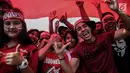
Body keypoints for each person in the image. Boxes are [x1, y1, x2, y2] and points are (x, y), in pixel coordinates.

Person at [53, 0, 130, 73]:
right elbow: (71, 71)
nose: (83, 29)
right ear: (78, 34)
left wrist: (118, 11)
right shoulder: (78, 49)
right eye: (79, 29)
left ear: (90, 28)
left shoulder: (106, 37)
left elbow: (128, 31)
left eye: (84, 26)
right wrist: (61, 56)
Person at [0, 8, 38, 73]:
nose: (12, 27)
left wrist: (21, 63)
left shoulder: (31, 48)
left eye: (16, 23)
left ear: (23, 26)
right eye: (7, 23)